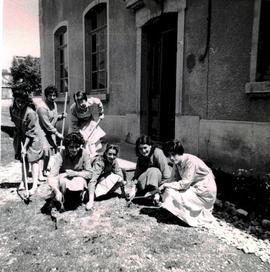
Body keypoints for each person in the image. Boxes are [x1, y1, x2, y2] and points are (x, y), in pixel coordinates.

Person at [159, 140, 217, 227]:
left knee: (170, 191)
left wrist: (166, 185)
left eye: (173, 154)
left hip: (204, 192)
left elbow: (184, 184)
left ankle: (185, 215)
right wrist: (159, 188)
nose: (171, 158)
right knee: (168, 190)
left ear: (179, 152)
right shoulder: (177, 162)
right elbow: (172, 179)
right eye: (168, 155)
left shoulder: (190, 161)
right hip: (193, 188)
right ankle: (177, 213)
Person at [9, 89, 44, 195]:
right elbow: (14, 122)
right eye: (18, 101)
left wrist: (24, 147)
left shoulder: (31, 113)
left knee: (33, 160)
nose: (20, 104)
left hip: (33, 138)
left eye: (22, 102)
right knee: (23, 158)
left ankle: (34, 185)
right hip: (20, 136)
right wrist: (19, 139)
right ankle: (23, 182)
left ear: (26, 102)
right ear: (15, 100)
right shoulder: (12, 108)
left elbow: (30, 133)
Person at [47, 132, 92, 209]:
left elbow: (90, 173)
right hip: (64, 179)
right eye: (71, 147)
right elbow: (52, 176)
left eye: (77, 147)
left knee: (81, 181)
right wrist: (56, 190)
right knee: (61, 181)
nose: (74, 150)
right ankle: (61, 200)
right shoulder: (61, 155)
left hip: (78, 177)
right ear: (66, 147)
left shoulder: (84, 153)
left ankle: (78, 198)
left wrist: (76, 173)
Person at [128, 136, 171, 203]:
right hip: (145, 185)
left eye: (145, 147)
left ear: (150, 146)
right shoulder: (140, 157)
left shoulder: (158, 153)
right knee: (152, 171)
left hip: (159, 185)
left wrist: (159, 190)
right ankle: (150, 193)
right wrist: (133, 189)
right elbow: (136, 176)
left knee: (154, 170)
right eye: (140, 149)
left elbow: (167, 176)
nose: (143, 151)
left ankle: (155, 194)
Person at [86, 144, 126, 211]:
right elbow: (92, 180)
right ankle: (89, 196)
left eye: (114, 154)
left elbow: (119, 174)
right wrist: (90, 201)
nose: (112, 157)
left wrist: (123, 193)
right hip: (89, 182)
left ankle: (102, 194)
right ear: (105, 153)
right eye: (109, 154)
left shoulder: (114, 161)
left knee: (120, 178)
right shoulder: (99, 162)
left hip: (100, 180)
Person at [36, 85, 65, 175]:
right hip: (42, 131)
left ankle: (45, 170)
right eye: (50, 95)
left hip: (50, 132)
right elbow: (46, 124)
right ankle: (39, 174)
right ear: (46, 96)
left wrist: (61, 116)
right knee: (45, 152)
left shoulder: (54, 104)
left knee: (51, 151)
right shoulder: (42, 107)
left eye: (54, 95)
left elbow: (53, 118)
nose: (52, 97)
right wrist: (57, 133)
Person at [69, 90, 105, 157]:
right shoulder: (73, 108)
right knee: (84, 143)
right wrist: (80, 135)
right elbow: (74, 124)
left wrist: (101, 113)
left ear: (85, 99)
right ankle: (85, 158)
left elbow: (99, 102)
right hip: (80, 125)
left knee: (93, 142)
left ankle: (93, 156)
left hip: (91, 123)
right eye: (78, 102)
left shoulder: (91, 101)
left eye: (82, 101)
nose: (81, 104)